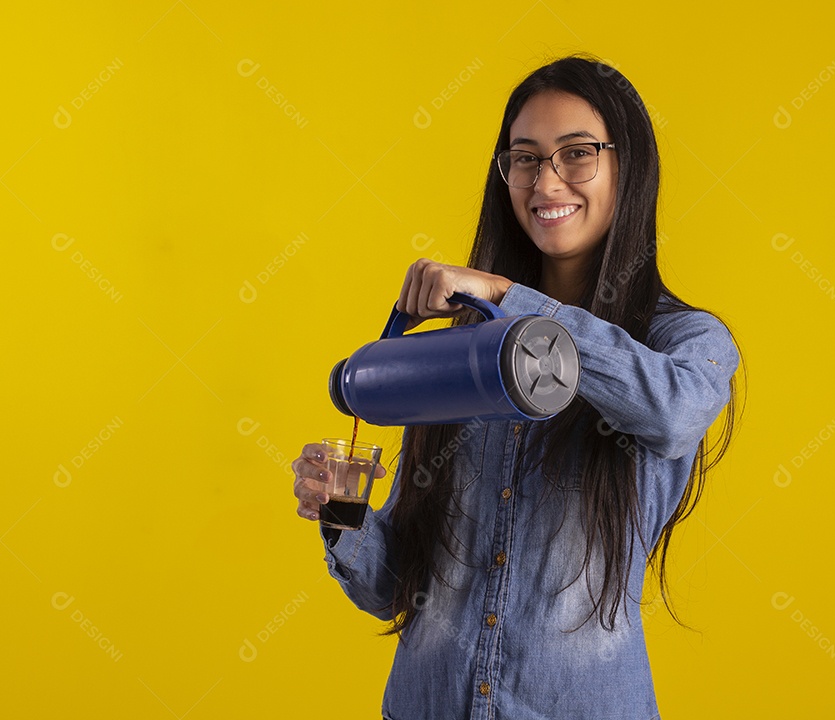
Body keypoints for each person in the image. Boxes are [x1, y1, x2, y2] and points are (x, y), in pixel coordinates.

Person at [291, 54, 743, 720]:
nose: (546, 181)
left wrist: (511, 298)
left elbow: (674, 414)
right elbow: (394, 588)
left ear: (629, 167)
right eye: (525, 158)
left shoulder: (685, 343)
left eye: (577, 153)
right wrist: (342, 511)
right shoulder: (459, 351)